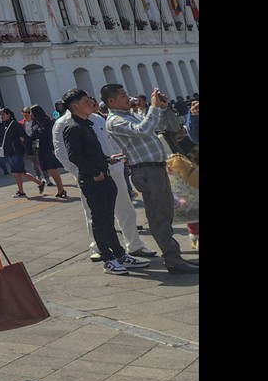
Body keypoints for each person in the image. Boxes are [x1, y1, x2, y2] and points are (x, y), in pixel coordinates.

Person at [103, 84, 200, 274]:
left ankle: (175, 257)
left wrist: (161, 109)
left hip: (156, 168)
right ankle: (173, 260)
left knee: (166, 214)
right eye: (123, 95)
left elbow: (154, 127)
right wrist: (154, 108)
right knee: (159, 216)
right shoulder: (114, 120)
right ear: (111, 101)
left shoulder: (128, 115)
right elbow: (142, 130)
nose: (128, 97)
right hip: (146, 172)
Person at [51, 98, 155, 262]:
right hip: (90, 175)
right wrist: (81, 173)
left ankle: (134, 245)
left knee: (126, 209)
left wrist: (117, 160)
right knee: (95, 215)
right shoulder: (63, 124)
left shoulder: (98, 118)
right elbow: (62, 153)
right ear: (75, 105)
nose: (91, 105)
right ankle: (100, 247)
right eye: (86, 101)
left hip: (113, 170)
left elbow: (111, 141)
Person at [0, 108, 47, 197]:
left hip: (16, 152)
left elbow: (24, 136)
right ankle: (38, 183)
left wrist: (24, 144)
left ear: (9, 115)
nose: (1, 116)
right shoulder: (3, 125)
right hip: (10, 152)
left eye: (3, 114)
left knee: (16, 172)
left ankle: (22, 191)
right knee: (20, 172)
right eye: (0, 115)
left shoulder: (15, 125)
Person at [26, 105, 69, 198]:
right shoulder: (36, 122)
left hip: (48, 148)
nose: (31, 115)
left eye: (31, 112)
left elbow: (51, 135)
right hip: (41, 149)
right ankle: (60, 188)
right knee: (48, 168)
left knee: (51, 167)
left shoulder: (47, 121)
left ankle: (61, 188)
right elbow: (34, 134)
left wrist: (54, 148)